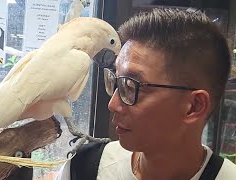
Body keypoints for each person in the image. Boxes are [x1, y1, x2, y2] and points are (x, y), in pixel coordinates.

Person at [55, 8, 236, 180]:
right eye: (115, 81)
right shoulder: (86, 167)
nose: (113, 104)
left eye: (131, 87)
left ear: (194, 106)